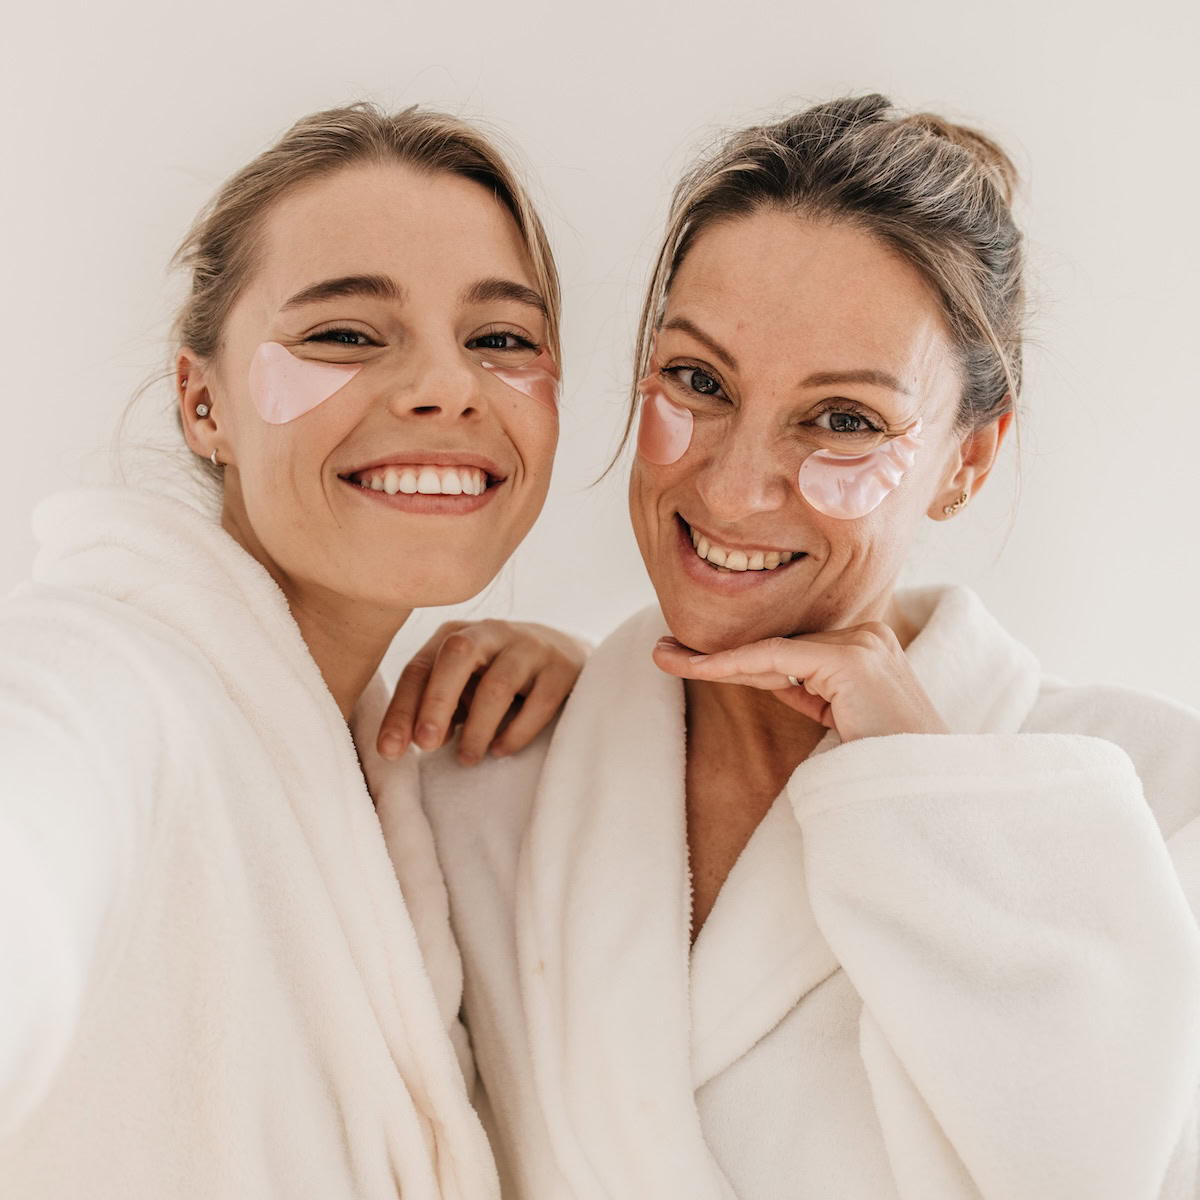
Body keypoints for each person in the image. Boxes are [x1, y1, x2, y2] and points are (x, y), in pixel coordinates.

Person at [401, 94, 1200, 1198]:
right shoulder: (494, 773)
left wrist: (922, 784)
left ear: (969, 460)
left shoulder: (1158, 803)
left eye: (844, 421)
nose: (731, 488)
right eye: (698, 382)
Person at [0, 102, 586, 1199]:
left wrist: (606, 716)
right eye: (345, 334)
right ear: (202, 402)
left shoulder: (400, 763)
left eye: (501, 340)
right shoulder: (104, 677)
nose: (445, 385)